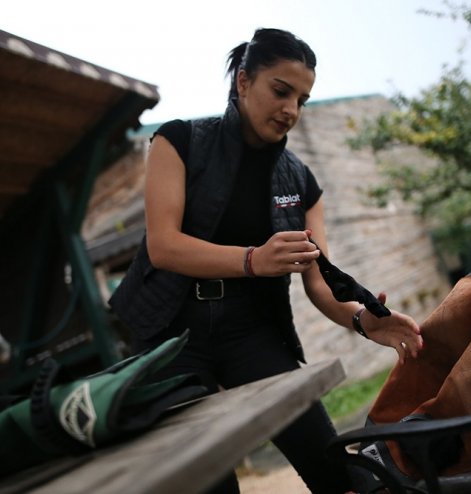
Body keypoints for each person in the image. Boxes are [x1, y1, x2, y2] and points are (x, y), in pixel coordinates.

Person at [109, 27, 423, 494]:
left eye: (302, 98)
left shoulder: (301, 179)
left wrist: (360, 319)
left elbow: (319, 282)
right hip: (169, 332)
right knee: (206, 481)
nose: (291, 110)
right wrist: (254, 260)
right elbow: (165, 247)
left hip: (251, 331)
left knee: (335, 468)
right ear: (243, 82)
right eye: (281, 91)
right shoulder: (178, 142)